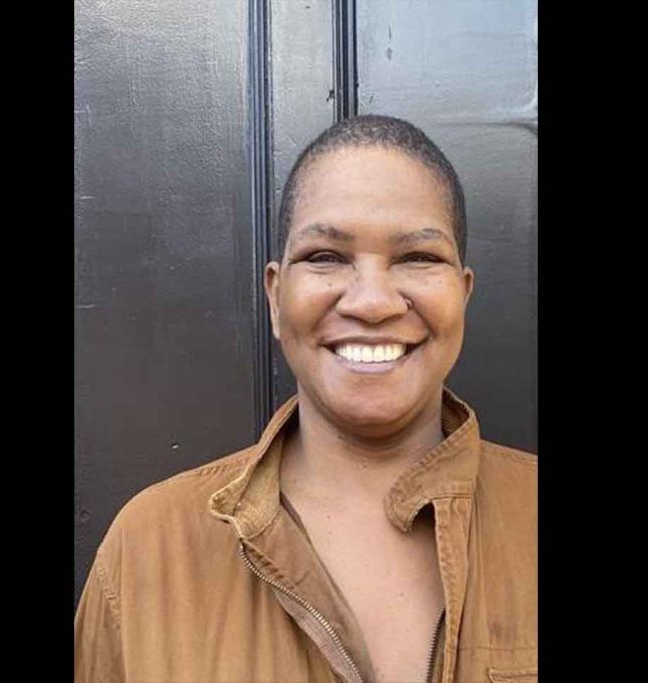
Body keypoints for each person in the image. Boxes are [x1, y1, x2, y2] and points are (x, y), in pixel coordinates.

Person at [74, 115, 537, 683]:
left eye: (417, 258)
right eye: (325, 257)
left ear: (461, 295)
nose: (371, 303)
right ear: (276, 296)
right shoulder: (148, 552)